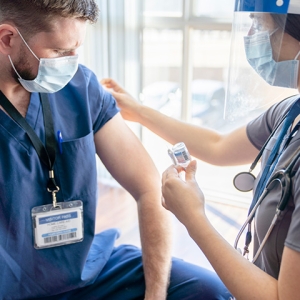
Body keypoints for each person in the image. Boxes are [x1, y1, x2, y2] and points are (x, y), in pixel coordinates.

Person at [0, 1, 234, 299]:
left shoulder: (82, 88)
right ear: (7, 38)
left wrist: (155, 295)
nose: (71, 63)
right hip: (12, 286)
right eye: (59, 52)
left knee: (207, 291)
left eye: (76, 50)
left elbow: (149, 188)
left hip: (86, 270)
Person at [102, 0, 300, 299]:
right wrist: (139, 111)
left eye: (260, 24)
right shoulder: (290, 112)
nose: (252, 35)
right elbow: (216, 146)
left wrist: (194, 218)